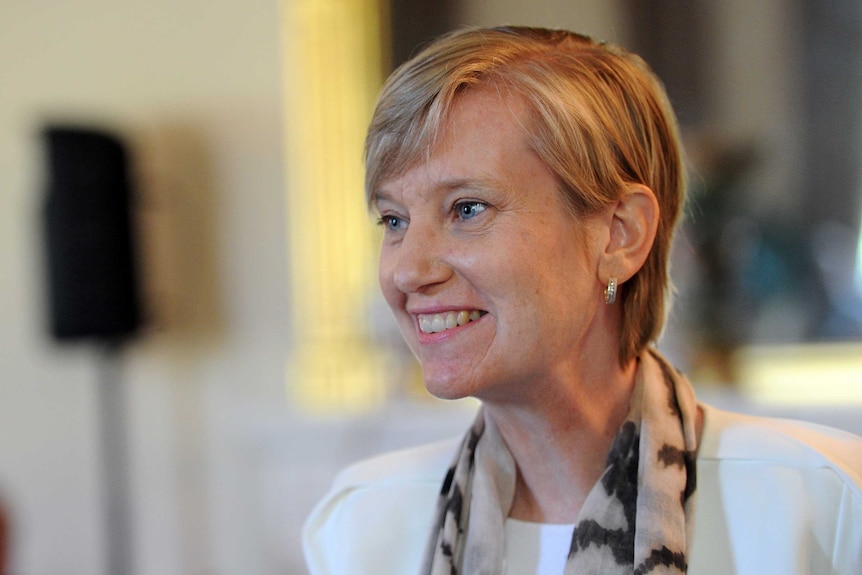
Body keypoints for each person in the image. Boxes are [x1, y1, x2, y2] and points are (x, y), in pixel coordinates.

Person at [303, 26, 862, 574]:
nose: (406, 270)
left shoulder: (817, 502)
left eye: (467, 208)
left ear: (620, 234)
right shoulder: (360, 526)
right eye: (394, 220)